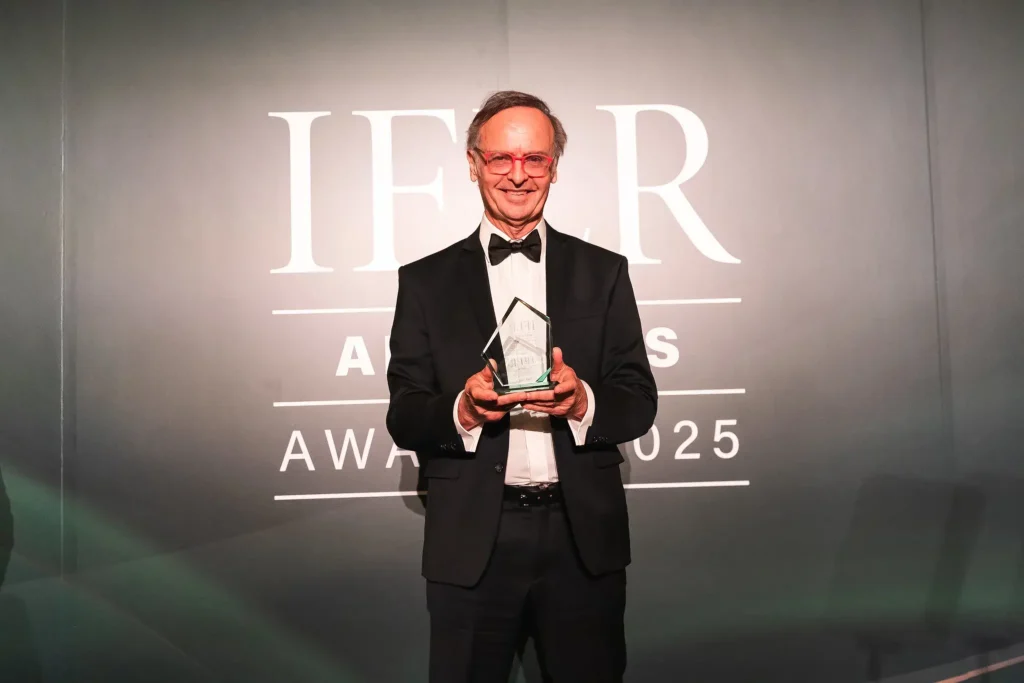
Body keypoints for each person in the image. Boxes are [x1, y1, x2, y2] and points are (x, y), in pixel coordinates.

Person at [386, 90, 657, 683]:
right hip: (472, 542)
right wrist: (463, 409)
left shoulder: (604, 272)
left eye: (534, 158)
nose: (518, 174)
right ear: (474, 163)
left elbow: (638, 400)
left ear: (553, 168)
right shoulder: (425, 282)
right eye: (501, 158)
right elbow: (404, 414)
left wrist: (582, 401)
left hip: (582, 542)